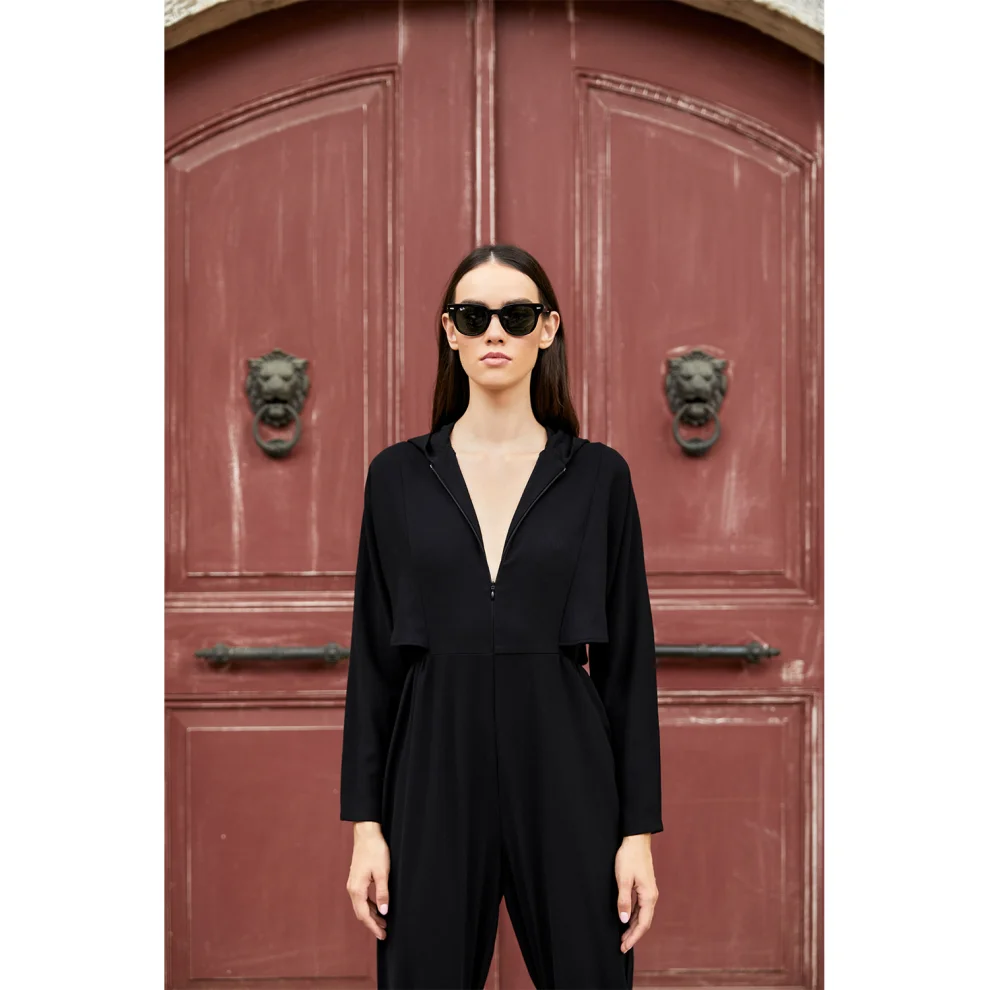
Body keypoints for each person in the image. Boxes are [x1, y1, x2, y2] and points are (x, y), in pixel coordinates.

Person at [339, 243, 663, 989]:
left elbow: (628, 665)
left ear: (547, 329)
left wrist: (637, 833)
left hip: (566, 764)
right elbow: (373, 662)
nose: (494, 332)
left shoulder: (599, 477)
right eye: (472, 315)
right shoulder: (396, 477)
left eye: (516, 316)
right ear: (448, 331)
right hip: (432, 765)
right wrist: (367, 827)